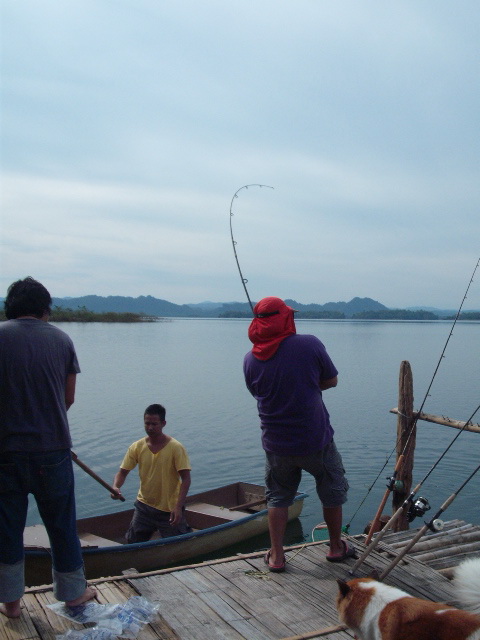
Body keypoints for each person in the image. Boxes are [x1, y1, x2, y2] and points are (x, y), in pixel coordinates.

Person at [0, 277, 96, 618]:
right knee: (61, 525)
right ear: (45, 309)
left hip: (5, 453)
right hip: (52, 450)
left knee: (7, 527)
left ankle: (10, 602)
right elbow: (68, 398)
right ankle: (73, 595)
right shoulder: (62, 340)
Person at [243, 296, 352, 572]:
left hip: (276, 444)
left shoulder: (249, 360)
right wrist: (306, 386)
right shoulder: (309, 344)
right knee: (331, 491)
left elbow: (259, 394)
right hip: (315, 440)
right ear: (285, 319)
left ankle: (277, 557)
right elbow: (332, 380)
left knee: (278, 497)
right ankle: (336, 547)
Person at [111, 404, 192, 542]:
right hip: (144, 507)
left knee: (179, 543)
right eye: (147, 423)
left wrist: (178, 507)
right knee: (132, 543)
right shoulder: (137, 447)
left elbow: (186, 479)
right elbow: (122, 472)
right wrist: (116, 487)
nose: (150, 428)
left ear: (163, 424)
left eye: (154, 424)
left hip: (169, 509)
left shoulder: (176, 448)